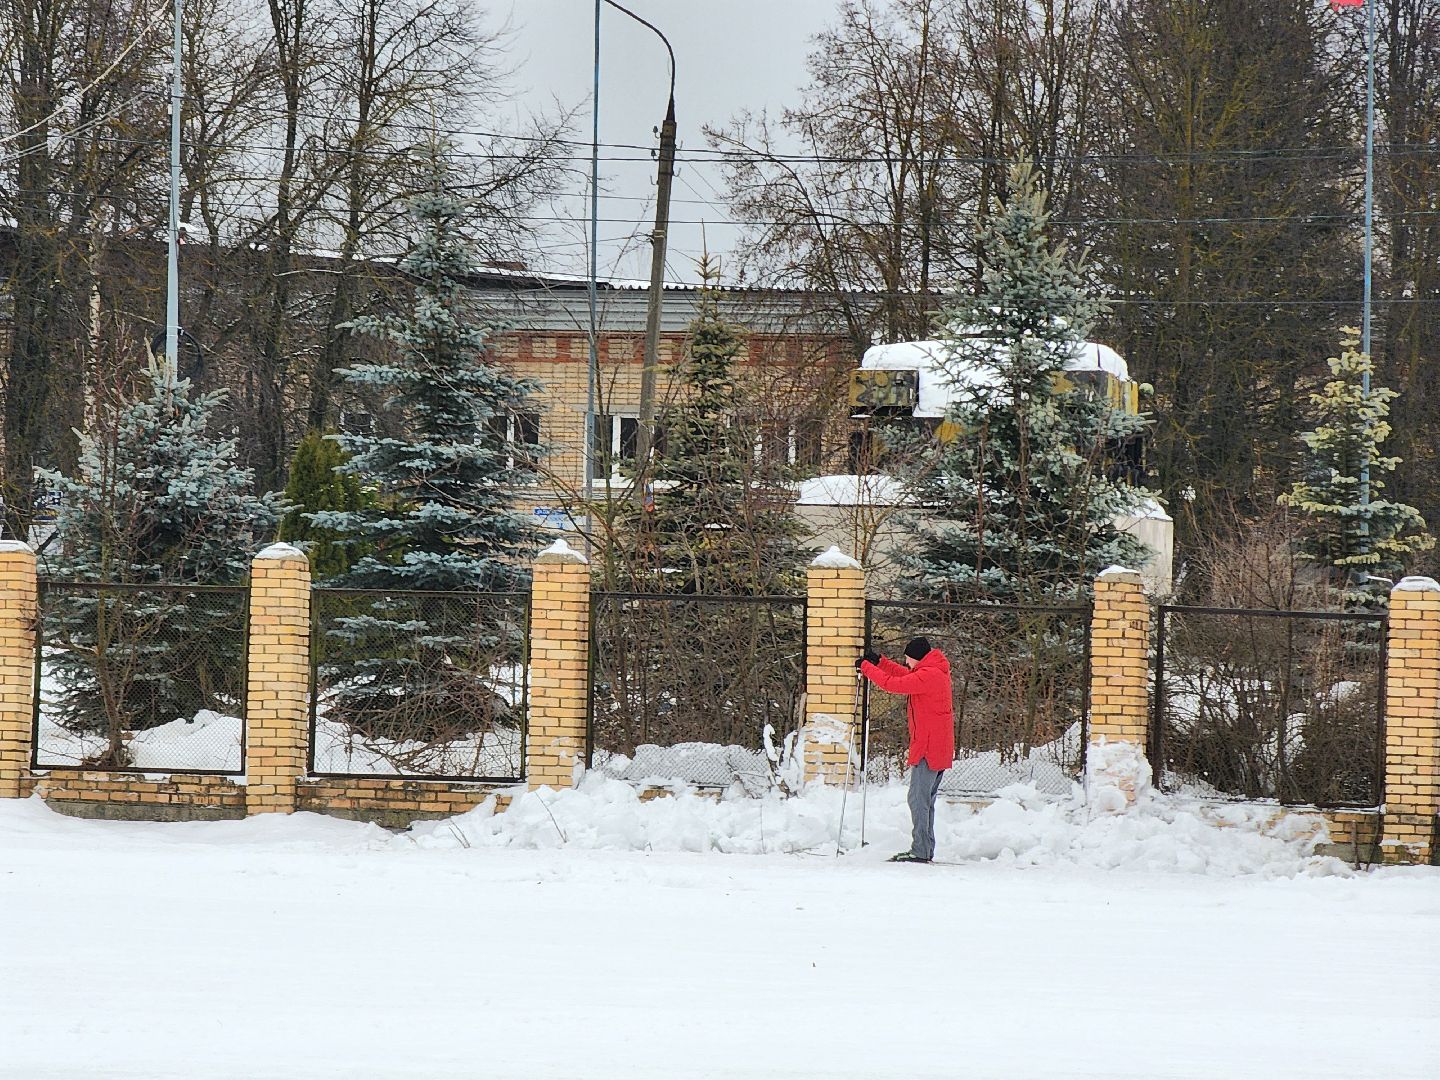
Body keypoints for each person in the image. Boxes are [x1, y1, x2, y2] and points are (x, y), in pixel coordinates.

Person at [856, 636, 955, 863]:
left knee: (917, 799)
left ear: (916, 657)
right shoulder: (932, 670)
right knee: (924, 800)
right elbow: (905, 675)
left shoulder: (929, 675)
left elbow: (894, 684)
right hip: (935, 745)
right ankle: (925, 848)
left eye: (908, 659)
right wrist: (879, 662)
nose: (906, 662)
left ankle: (920, 850)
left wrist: (866, 668)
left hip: (928, 748)